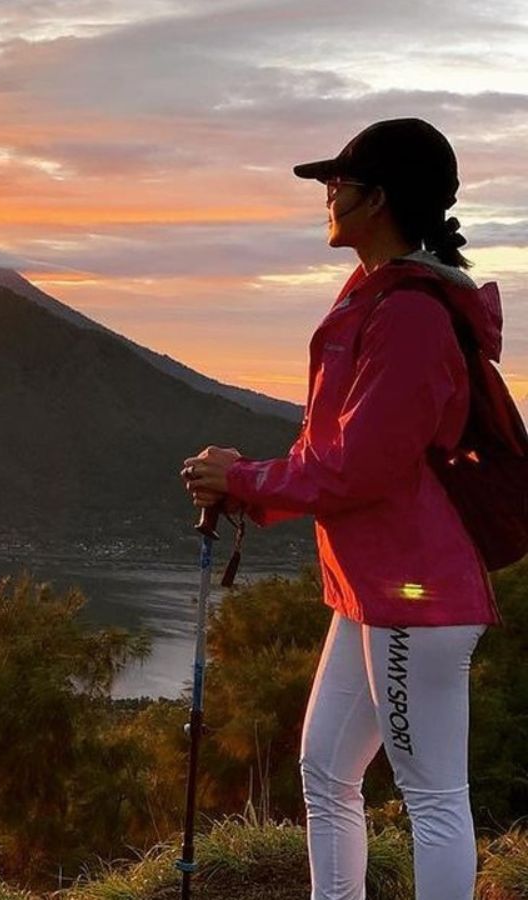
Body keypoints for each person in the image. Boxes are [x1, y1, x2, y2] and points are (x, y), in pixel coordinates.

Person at [179, 117, 504, 900]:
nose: (327, 194)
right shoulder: (375, 296)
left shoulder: (412, 316)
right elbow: (339, 452)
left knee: (432, 797)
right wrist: (245, 478)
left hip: (412, 595)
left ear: (379, 199)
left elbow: (360, 466)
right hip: (371, 585)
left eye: (339, 183)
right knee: (325, 769)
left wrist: (246, 481)